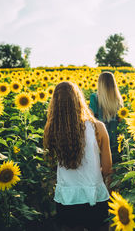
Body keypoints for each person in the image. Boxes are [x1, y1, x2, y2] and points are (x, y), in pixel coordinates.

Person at [44, 82, 112, 231]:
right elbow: (107, 169)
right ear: (79, 99)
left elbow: (51, 163)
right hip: (94, 195)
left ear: (55, 104)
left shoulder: (52, 129)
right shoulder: (97, 127)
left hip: (67, 198)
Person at [89, 71, 123, 161]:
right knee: (115, 163)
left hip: (100, 136)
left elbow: (91, 117)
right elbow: (121, 119)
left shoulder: (94, 97)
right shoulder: (118, 100)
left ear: (100, 84)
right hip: (116, 138)